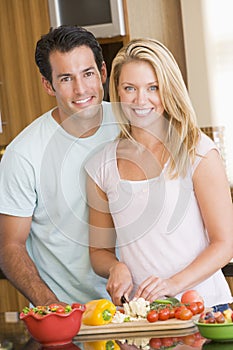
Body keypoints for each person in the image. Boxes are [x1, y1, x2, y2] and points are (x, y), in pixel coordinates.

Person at [85, 38, 233, 308]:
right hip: (144, 314)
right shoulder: (101, 166)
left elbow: (225, 244)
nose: (140, 100)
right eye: (129, 88)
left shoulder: (198, 152)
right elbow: (99, 251)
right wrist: (115, 267)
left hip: (205, 309)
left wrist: (172, 284)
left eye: (152, 88)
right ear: (117, 92)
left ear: (168, 90)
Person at [0, 25, 119, 307]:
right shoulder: (23, 154)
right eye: (66, 78)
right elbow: (9, 246)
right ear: (48, 85)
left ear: (102, 73)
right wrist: (53, 308)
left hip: (139, 310)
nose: (81, 89)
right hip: (68, 312)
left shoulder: (132, 125)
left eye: (88, 74)